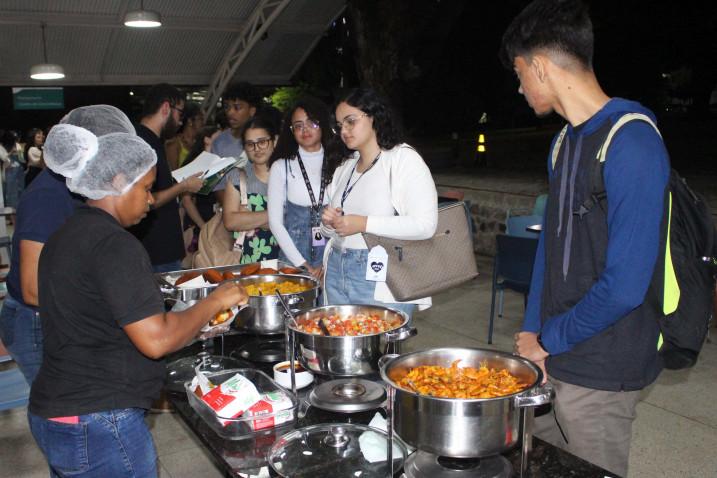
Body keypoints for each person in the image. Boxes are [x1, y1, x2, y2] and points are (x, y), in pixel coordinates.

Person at [27, 108, 248, 477]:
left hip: (56, 412)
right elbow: (156, 340)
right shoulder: (115, 244)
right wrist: (216, 300)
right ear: (117, 181)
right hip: (100, 421)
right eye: (146, 188)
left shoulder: (66, 235)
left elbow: (98, 318)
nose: (150, 201)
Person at [500, 1, 670, 476]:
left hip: (602, 364)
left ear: (539, 66)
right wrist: (533, 331)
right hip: (555, 355)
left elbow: (625, 286)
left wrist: (549, 339)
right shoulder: (564, 142)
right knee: (535, 463)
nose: (519, 87)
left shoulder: (631, 141)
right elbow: (548, 253)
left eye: (519, 73)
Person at [0, 106, 135, 386]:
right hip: (38, 321)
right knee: (61, 408)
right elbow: (32, 288)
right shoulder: (49, 196)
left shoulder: (79, 187)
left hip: (58, 312)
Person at [320, 88, 437, 317]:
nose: (343, 130)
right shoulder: (345, 167)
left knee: (379, 349)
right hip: (336, 268)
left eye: (350, 121)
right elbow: (329, 230)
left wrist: (363, 223)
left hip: (381, 273)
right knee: (340, 347)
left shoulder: (402, 159)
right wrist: (330, 222)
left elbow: (425, 225)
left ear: (373, 116)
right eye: (339, 125)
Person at [130, 83, 204, 273]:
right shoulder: (143, 142)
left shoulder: (151, 140)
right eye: (180, 113)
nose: (181, 121)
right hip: (156, 248)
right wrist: (183, 186)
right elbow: (148, 199)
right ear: (166, 108)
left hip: (160, 245)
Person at [268, 97, 336, 277]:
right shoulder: (281, 166)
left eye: (311, 123)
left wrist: (325, 263)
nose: (305, 130)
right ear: (291, 131)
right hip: (292, 259)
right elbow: (275, 222)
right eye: (298, 125)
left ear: (323, 124)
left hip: (332, 256)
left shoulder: (340, 162)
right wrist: (302, 265)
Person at [222, 115, 280, 264]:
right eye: (250, 144)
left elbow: (297, 220)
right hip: (248, 263)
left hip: (287, 260)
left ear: (275, 140)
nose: (256, 149)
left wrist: (249, 218)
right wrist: (277, 216)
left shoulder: (290, 176)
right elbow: (230, 221)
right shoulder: (237, 176)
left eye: (262, 142)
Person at [211, 82, 261, 203]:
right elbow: (217, 185)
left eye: (237, 107)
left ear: (252, 110)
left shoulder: (264, 140)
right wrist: (235, 211)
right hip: (232, 212)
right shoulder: (219, 142)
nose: (230, 112)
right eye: (227, 107)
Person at [165, 102, 205, 171]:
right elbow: (173, 175)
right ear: (190, 121)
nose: (203, 122)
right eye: (200, 119)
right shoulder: (174, 144)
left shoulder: (201, 143)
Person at [1, 130, 25, 209]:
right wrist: (11, 152)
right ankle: (11, 214)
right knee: (10, 193)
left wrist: (20, 155)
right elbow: (4, 158)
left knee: (20, 190)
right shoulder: (1, 148)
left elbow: (22, 159)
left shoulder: (18, 146)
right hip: (9, 172)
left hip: (18, 170)